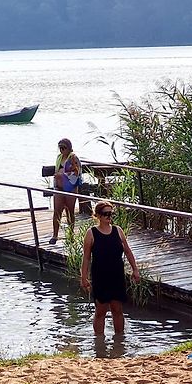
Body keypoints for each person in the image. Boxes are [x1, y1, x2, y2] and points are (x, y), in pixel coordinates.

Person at [80, 201, 140, 335]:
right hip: (100, 276)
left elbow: (128, 251)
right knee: (101, 310)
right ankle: (99, 343)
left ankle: (119, 341)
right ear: (98, 216)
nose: (108, 216)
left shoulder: (118, 231)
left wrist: (135, 269)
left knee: (117, 309)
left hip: (116, 274)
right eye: (105, 214)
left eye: (110, 213)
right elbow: (86, 257)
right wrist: (84, 277)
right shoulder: (91, 233)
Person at [49, 138, 82, 245]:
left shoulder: (73, 158)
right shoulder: (59, 157)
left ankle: (71, 235)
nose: (61, 150)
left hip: (70, 188)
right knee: (57, 211)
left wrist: (62, 175)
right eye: (60, 147)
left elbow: (77, 173)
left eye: (64, 147)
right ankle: (55, 235)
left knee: (70, 211)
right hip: (59, 188)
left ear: (69, 148)